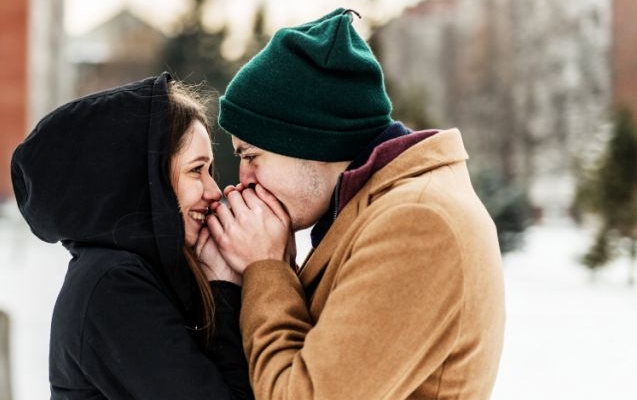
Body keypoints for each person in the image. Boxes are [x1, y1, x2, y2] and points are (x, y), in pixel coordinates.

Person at [203, 8, 506, 400]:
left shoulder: (418, 222)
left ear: (309, 142)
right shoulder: (374, 211)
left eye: (251, 155)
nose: (243, 180)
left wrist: (267, 268)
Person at [11, 72, 253, 400]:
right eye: (196, 170)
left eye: (210, 171)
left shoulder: (141, 274)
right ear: (144, 179)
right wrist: (225, 288)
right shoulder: (112, 285)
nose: (214, 191)